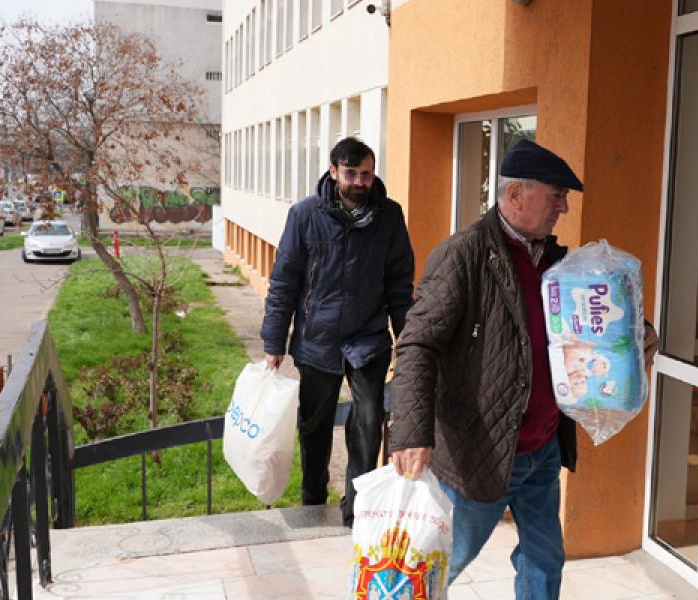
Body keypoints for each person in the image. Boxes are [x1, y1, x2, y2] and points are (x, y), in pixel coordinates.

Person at [388, 140, 658, 599]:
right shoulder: (464, 254)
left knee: (544, 558)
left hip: (543, 448)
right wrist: (411, 433)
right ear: (516, 195)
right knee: (441, 562)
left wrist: (640, 335)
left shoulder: (557, 263)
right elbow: (417, 343)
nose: (564, 207)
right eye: (556, 196)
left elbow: (593, 324)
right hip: (483, 450)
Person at [260, 136, 414, 526]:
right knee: (314, 425)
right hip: (317, 339)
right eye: (351, 174)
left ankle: (357, 506)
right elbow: (284, 281)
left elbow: (399, 284)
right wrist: (274, 340)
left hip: (368, 338)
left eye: (366, 174)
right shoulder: (304, 215)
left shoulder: (390, 216)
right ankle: (313, 499)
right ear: (333, 171)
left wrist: (409, 342)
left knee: (368, 421)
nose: (360, 182)